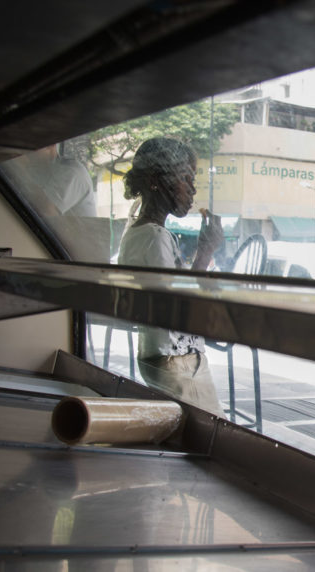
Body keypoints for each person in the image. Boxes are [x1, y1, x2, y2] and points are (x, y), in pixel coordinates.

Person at [118, 137, 225, 416]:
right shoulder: (155, 237)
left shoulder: (137, 232)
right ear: (156, 180)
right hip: (178, 363)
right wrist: (205, 252)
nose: (192, 189)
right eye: (186, 179)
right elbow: (177, 310)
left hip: (164, 359)